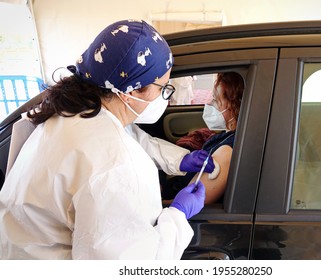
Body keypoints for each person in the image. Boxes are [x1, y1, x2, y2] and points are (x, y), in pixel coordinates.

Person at [0, 19, 213, 260]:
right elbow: (133, 265)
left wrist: (180, 159)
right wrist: (177, 215)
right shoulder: (118, 168)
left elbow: (129, 137)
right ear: (132, 91)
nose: (164, 97)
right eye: (163, 87)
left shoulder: (69, 113)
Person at [161, 72, 245, 204]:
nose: (209, 104)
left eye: (216, 100)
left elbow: (188, 204)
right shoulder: (228, 135)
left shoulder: (226, 152)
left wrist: (155, 205)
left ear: (234, 107)